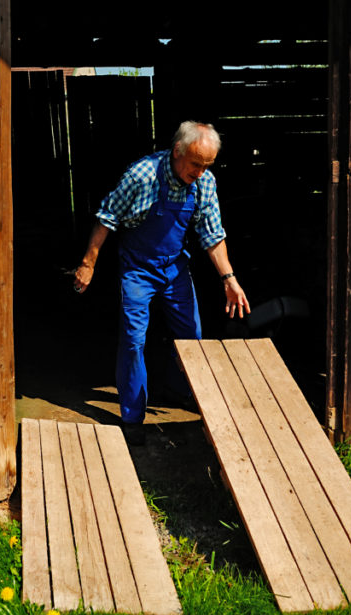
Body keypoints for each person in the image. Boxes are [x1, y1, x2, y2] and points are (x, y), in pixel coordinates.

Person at [73, 121, 250, 444]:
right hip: (137, 269)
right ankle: (132, 416)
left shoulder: (204, 183)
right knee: (132, 340)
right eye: (196, 164)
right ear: (177, 151)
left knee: (191, 338)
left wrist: (229, 279)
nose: (200, 172)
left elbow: (212, 235)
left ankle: (177, 390)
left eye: (206, 165)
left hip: (174, 269)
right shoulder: (142, 176)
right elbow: (106, 218)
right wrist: (88, 263)